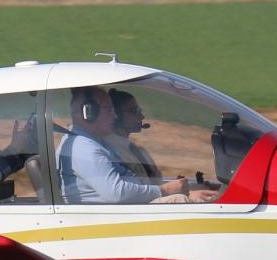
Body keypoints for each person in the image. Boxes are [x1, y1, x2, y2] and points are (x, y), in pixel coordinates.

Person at [57, 87, 189, 205]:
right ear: (90, 112)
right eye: (109, 110)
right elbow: (116, 193)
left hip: (125, 208)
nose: (114, 116)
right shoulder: (84, 148)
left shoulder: (94, 143)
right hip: (114, 215)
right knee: (182, 201)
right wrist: (164, 190)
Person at [107, 89, 161, 182]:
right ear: (115, 115)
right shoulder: (110, 151)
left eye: (139, 111)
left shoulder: (135, 150)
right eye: (134, 111)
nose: (142, 117)